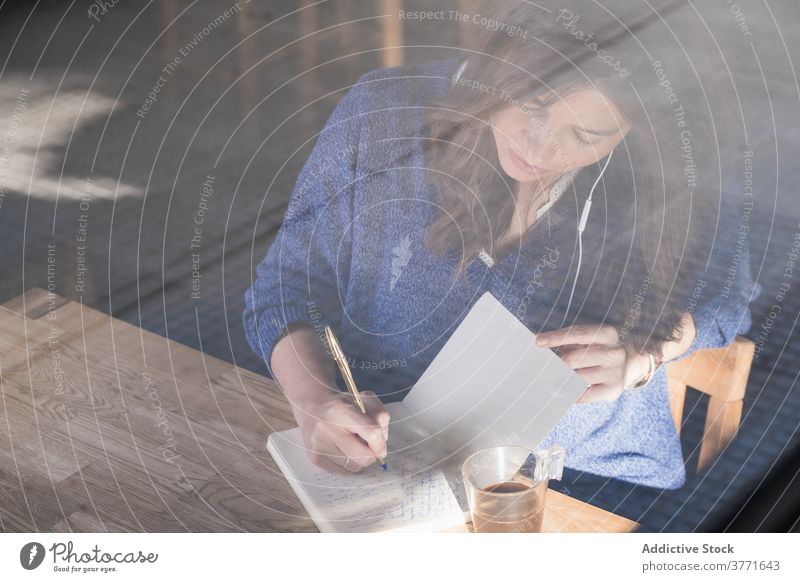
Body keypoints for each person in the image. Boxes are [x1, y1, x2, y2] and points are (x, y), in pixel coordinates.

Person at [243, 0, 760, 495]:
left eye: (583, 134)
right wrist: (314, 400)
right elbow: (285, 285)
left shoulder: (670, 178)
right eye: (531, 105)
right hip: (388, 458)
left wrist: (644, 357)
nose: (539, 149)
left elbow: (728, 301)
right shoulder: (385, 114)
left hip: (588, 481)